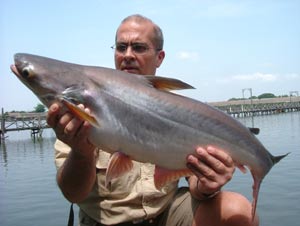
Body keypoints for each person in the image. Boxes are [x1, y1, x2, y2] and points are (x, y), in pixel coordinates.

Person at [47, 14, 259, 226]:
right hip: (105, 221)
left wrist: (207, 185)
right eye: (121, 47)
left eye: (138, 47)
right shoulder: (80, 107)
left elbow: (193, 180)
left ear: (160, 57)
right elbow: (73, 193)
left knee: (240, 214)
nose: (128, 55)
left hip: (166, 213)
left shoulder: (181, 112)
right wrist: (81, 153)